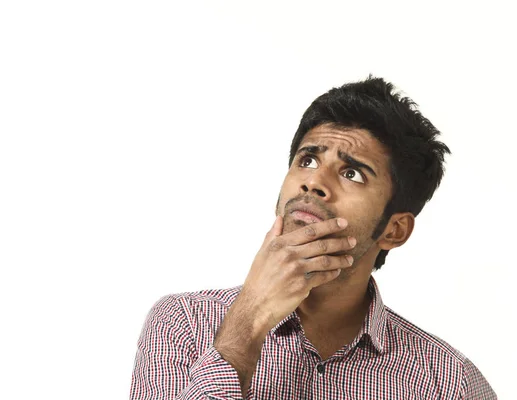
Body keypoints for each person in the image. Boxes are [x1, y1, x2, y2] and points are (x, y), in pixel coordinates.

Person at [129, 75, 497, 400]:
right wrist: (249, 319)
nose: (314, 182)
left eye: (352, 173)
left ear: (394, 229)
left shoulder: (450, 383)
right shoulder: (184, 324)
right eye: (307, 160)